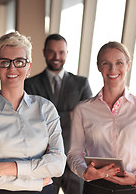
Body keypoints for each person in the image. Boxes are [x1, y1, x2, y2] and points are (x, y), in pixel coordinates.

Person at [67, 41, 136, 194]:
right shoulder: (83, 109)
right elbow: (74, 153)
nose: (112, 69)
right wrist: (84, 172)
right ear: (99, 67)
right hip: (96, 188)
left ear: (128, 66)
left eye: (119, 63)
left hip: (135, 189)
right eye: (106, 63)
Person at [0, 31, 66, 193]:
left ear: (28, 67)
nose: (12, 68)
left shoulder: (46, 108)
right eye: (4, 62)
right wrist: (37, 182)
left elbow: (58, 165)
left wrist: (5, 167)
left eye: (19, 61)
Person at [24, 33, 92, 194]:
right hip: (43, 158)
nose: (56, 56)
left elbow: (88, 117)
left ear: (67, 53)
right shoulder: (30, 84)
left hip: (75, 158)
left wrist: (48, 116)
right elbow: (31, 120)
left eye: (61, 52)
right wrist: (70, 114)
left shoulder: (81, 84)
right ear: (44, 52)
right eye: (52, 52)